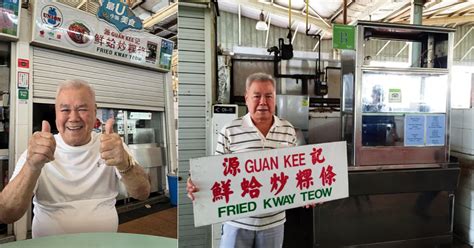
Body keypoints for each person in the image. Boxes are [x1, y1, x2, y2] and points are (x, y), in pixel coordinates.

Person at [0, 79, 151, 237]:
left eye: (82, 109)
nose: (73, 118)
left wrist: (125, 164)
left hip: (104, 243)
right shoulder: (39, 151)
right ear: (56, 114)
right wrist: (32, 166)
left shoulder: (112, 146)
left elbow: (143, 193)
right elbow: (6, 214)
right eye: (65, 110)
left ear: (94, 111)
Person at [187, 73, 297, 248]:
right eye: (256, 96)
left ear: (275, 99)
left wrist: (315, 189)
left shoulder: (288, 129)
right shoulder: (230, 130)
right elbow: (215, 172)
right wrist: (197, 183)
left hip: (273, 222)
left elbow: (295, 171)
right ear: (247, 98)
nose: (263, 102)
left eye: (268, 96)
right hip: (237, 221)